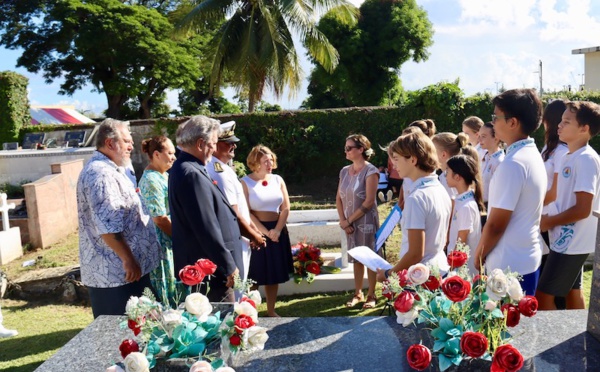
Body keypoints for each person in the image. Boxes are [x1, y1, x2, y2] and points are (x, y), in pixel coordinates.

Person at [169, 115, 264, 303]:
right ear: (200, 144)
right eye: (212, 144)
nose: (213, 149)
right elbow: (206, 226)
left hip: (209, 264)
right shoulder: (191, 173)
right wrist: (228, 265)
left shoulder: (189, 167)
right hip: (210, 267)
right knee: (219, 325)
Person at [77, 118, 160, 318]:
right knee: (120, 339)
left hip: (127, 273)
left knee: (145, 333)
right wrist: (128, 259)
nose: (132, 145)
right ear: (110, 143)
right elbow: (108, 227)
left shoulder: (115, 169)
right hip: (116, 276)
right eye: (126, 141)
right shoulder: (101, 174)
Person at [474, 88, 546, 296]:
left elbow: (496, 224)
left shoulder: (513, 164)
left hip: (508, 266)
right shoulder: (530, 154)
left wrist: (478, 256)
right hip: (525, 257)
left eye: (495, 117)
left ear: (512, 122)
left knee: (504, 326)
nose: (493, 123)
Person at [537, 101, 600, 310]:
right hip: (564, 239)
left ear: (585, 128)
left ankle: (553, 343)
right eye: (561, 120)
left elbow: (583, 209)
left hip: (571, 242)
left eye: (566, 122)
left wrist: (548, 221)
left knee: (543, 297)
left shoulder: (586, 159)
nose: (559, 125)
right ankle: (581, 341)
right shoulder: (567, 156)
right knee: (573, 293)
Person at [376, 131, 451, 282]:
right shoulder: (439, 187)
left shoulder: (416, 198)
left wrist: (388, 274)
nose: (393, 165)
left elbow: (416, 253)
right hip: (439, 269)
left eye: (396, 159)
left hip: (421, 277)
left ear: (413, 160)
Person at [207, 122, 262, 299]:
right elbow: (233, 213)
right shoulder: (219, 172)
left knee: (239, 290)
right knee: (237, 293)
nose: (234, 145)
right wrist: (253, 235)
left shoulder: (223, 168)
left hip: (240, 236)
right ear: (215, 145)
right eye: (228, 142)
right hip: (236, 238)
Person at [241, 145, 293, 316]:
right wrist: (263, 232)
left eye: (271, 160)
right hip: (256, 231)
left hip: (277, 231)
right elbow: (246, 211)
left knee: (274, 273)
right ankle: (250, 312)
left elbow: (285, 208)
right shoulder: (245, 182)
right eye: (265, 161)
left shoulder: (278, 180)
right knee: (255, 274)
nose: (269, 164)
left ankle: (271, 310)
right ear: (255, 163)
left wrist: (276, 230)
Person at [336, 134, 380, 309]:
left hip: (366, 221)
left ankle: (371, 294)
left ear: (361, 149)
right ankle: (358, 293)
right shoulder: (344, 171)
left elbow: (369, 201)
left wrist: (348, 221)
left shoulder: (371, 171)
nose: (345, 151)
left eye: (349, 148)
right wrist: (343, 220)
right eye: (345, 148)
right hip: (349, 223)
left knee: (369, 258)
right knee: (356, 258)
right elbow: (338, 198)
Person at [139, 135, 177, 307]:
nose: (174, 157)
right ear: (156, 154)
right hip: (162, 246)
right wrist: (180, 239)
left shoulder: (163, 175)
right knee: (168, 295)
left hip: (169, 243)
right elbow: (159, 219)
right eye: (170, 153)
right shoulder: (151, 180)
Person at [445, 154, 484, 275]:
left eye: (447, 171)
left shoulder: (466, 206)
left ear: (457, 177)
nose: (445, 175)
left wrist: (452, 268)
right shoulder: (463, 199)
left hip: (464, 271)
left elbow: (461, 242)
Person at [397, 120, 437, 209]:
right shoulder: (406, 163)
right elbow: (405, 184)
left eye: (406, 139)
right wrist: (400, 204)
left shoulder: (424, 163)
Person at [431, 132, 471, 198]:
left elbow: (452, 202)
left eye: (432, 151)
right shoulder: (445, 174)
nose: (429, 155)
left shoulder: (449, 177)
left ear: (443, 155)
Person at [478, 122, 505, 205]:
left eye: (483, 136)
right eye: (479, 136)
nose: (479, 140)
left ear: (496, 138)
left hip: (491, 206)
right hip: (481, 204)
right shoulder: (483, 157)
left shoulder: (500, 162)